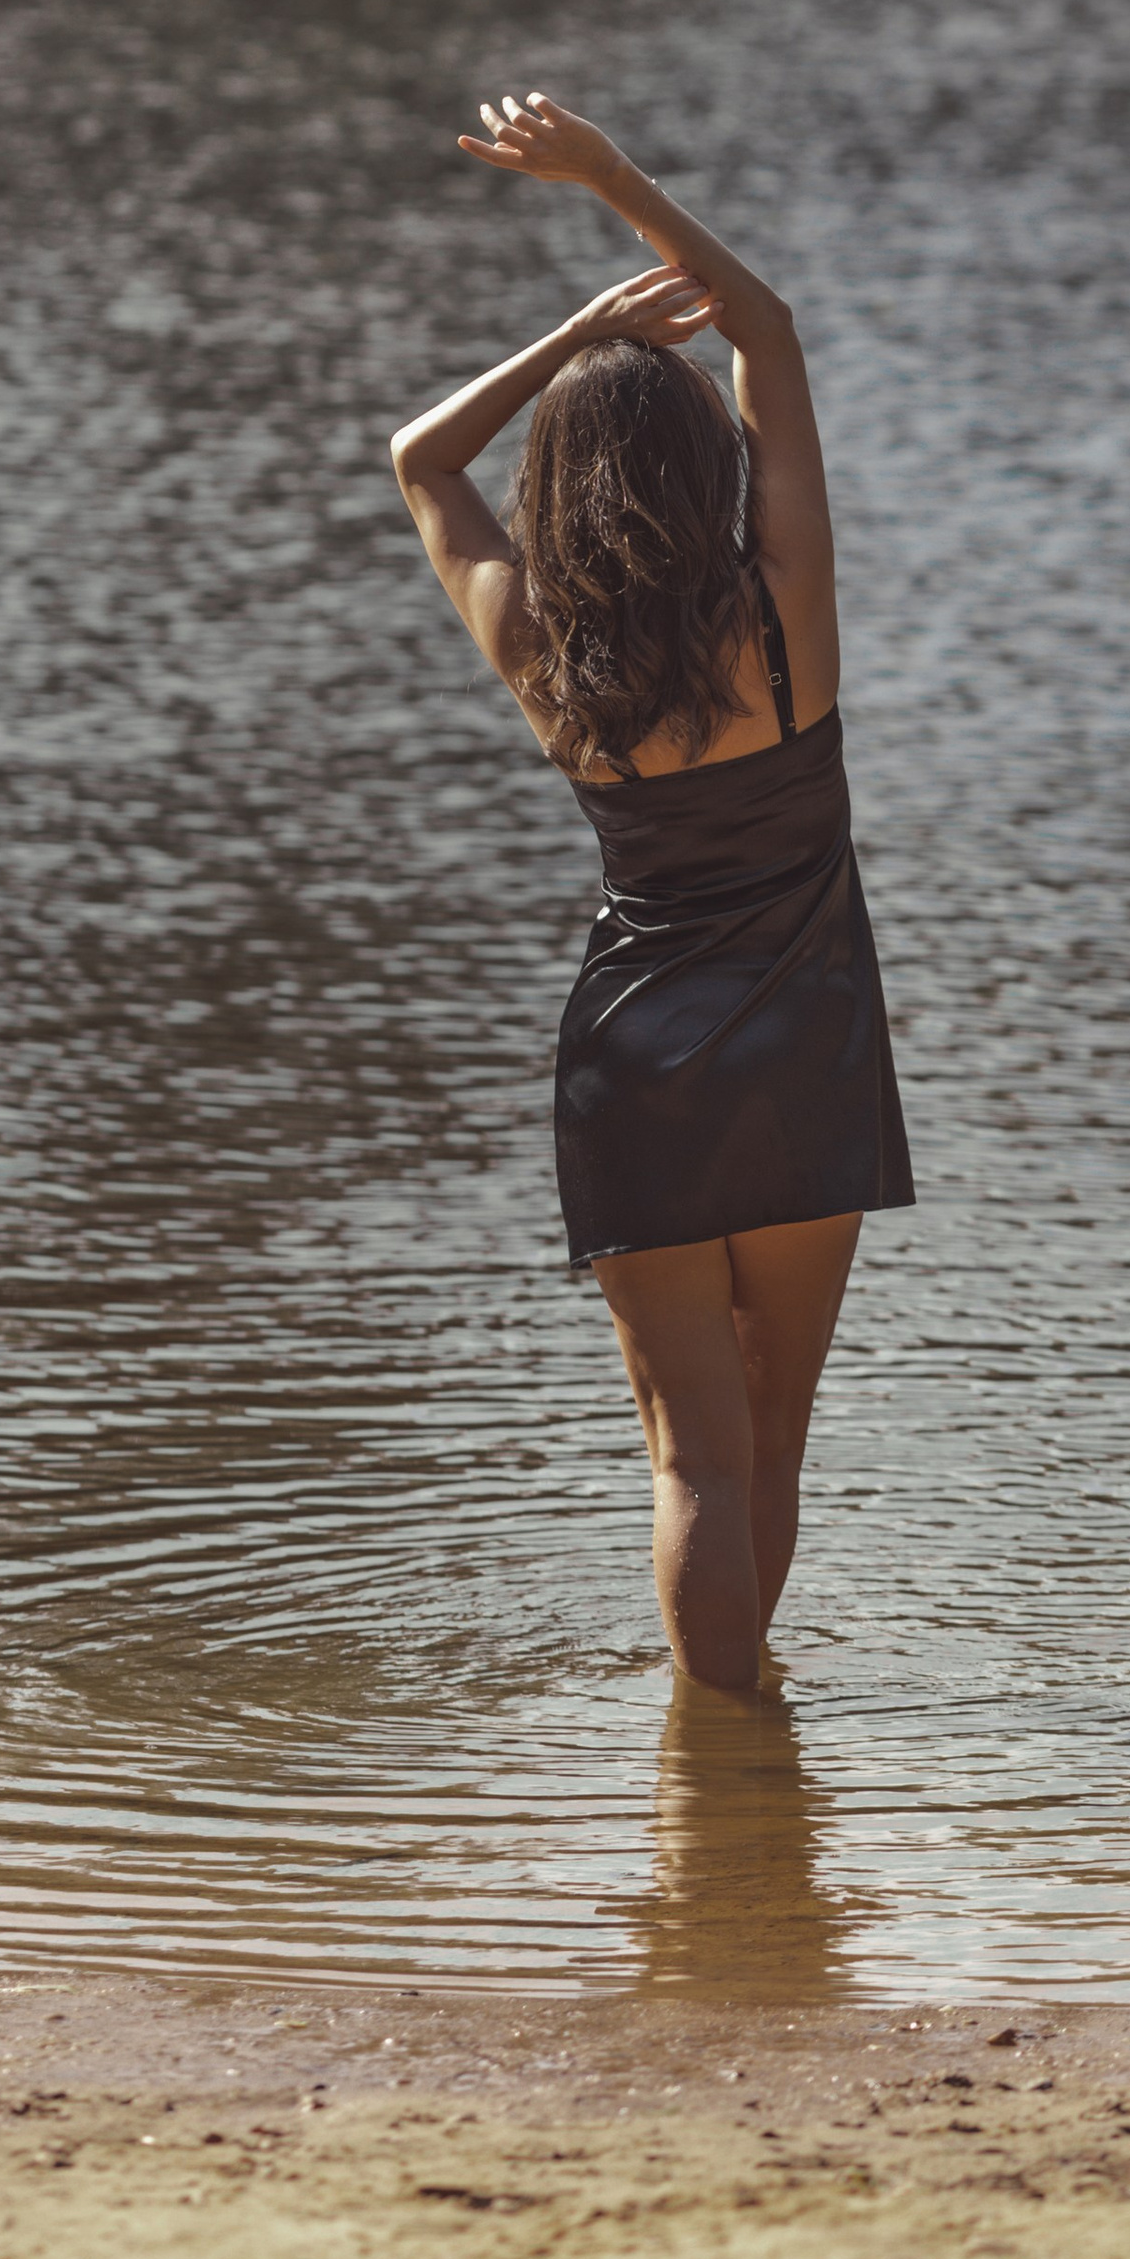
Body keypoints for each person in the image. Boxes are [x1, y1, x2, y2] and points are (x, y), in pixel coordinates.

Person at [388, 91, 912, 1695]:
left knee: (695, 1459)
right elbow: (768, 322)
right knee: (775, 1435)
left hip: (636, 1066)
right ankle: (745, 1786)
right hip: (808, 1054)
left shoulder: (548, 655)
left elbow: (419, 456)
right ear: (710, 472)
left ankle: (722, 1761)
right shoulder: (784, 622)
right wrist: (613, 183)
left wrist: (572, 344)